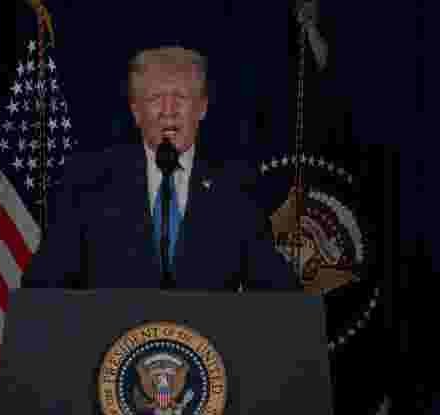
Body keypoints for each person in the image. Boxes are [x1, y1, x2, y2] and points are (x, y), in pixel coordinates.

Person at [22, 46, 299, 291]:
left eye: (181, 97)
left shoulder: (237, 186)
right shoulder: (88, 182)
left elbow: (277, 293)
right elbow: (43, 287)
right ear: (135, 110)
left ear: (202, 107)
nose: (169, 110)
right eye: (155, 98)